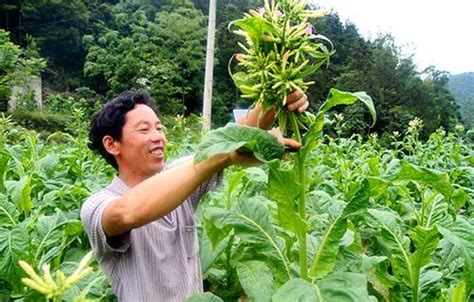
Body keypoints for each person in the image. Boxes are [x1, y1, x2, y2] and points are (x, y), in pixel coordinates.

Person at [80, 89, 308, 301]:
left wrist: (276, 97)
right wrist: (223, 156)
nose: (158, 136)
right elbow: (127, 213)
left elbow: (236, 136)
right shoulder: (97, 205)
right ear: (112, 144)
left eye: (159, 128)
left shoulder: (180, 175)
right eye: (144, 129)